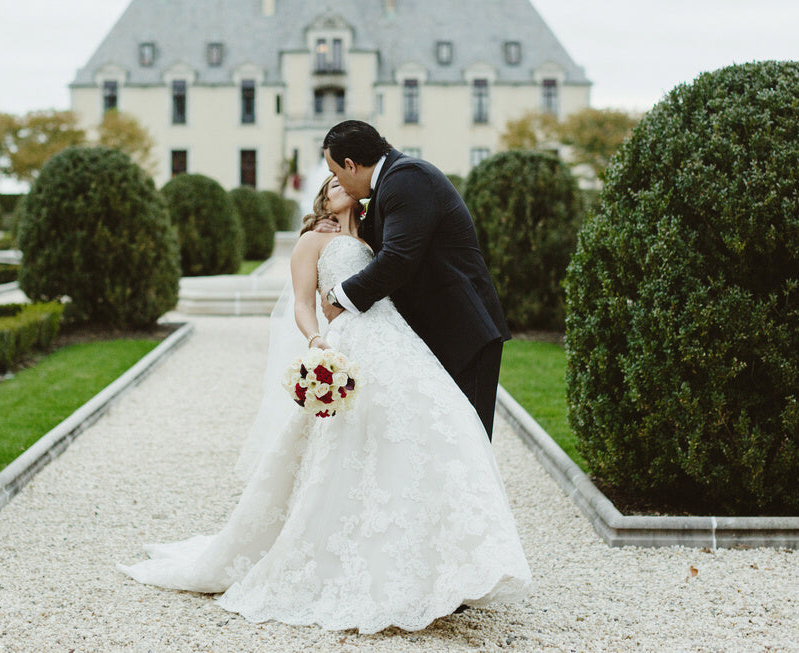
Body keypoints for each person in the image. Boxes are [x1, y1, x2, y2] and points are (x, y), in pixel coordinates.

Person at [117, 175, 532, 634]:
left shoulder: (378, 234)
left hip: (397, 341)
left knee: (432, 428)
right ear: (323, 197)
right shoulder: (313, 240)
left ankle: (443, 562)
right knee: (345, 448)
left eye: (344, 176)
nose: (340, 182)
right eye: (331, 180)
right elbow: (301, 302)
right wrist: (318, 343)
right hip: (348, 342)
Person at [320, 120, 511, 440]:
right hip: (439, 333)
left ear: (351, 165)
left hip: (464, 334)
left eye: (336, 173)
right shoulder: (394, 181)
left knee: (468, 441)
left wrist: (337, 296)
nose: (336, 181)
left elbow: (397, 259)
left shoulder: (407, 178)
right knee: (444, 440)